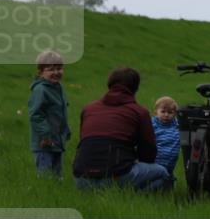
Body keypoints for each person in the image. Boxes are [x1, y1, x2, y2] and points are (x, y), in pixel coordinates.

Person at [72, 67, 171, 192]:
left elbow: (84, 142)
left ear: (110, 84)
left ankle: (119, 195)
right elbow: (148, 153)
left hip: (81, 179)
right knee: (163, 174)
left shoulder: (88, 109)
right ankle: (132, 198)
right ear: (135, 88)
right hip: (116, 175)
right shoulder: (139, 112)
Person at [28, 50, 72, 178]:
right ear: (40, 72)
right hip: (44, 143)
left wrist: (66, 131)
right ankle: (43, 196)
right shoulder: (40, 90)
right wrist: (45, 136)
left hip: (57, 141)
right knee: (45, 177)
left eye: (59, 68)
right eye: (51, 69)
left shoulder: (58, 87)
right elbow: (36, 115)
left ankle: (56, 196)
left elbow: (60, 112)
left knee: (58, 177)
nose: (56, 72)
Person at [152, 96, 181, 182]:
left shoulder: (177, 125)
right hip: (156, 161)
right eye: (163, 112)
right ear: (156, 113)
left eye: (170, 112)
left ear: (175, 114)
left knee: (168, 182)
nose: (166, 115)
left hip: (171, 163)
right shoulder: (152, 125)